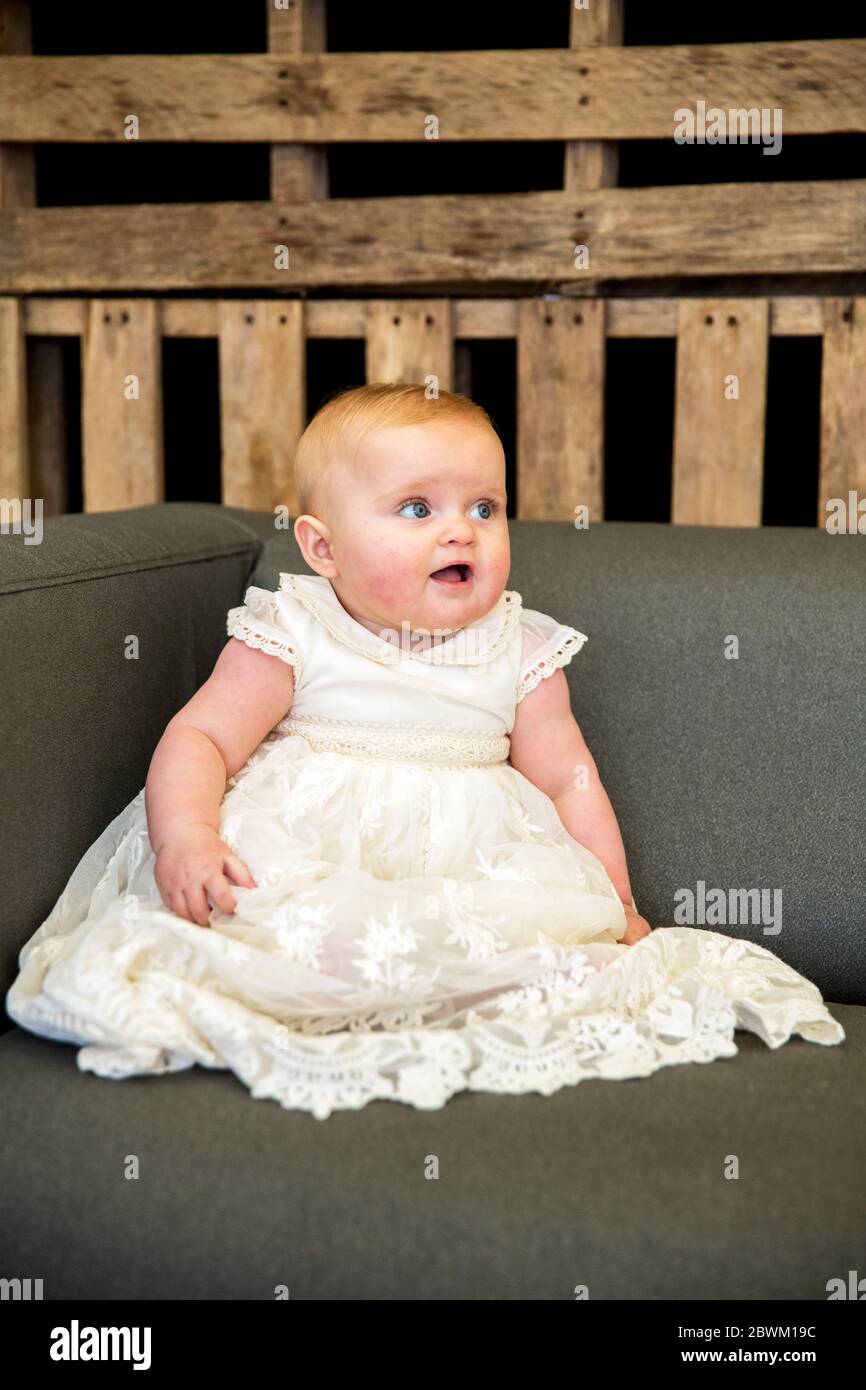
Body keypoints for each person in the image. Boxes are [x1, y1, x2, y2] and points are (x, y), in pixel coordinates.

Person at [5, 383, 845, 1120]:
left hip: (466, 864)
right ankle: (324, 993)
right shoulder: (296, 630)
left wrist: (615, 903)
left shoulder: (518, 648)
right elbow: (201, 736)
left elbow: (570, 779)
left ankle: (448, 999)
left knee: (528, 943)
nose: (462, 533)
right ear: (322, 547)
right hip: (307, 843)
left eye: (484, 507)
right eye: (418, 509)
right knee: (272, 925)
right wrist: (186, 834)